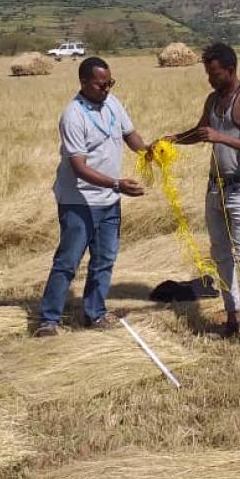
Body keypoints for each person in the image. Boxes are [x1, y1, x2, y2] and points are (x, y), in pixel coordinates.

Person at [163, 43, 240, 356]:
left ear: (231, 70)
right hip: (216, 188)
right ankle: (233, 318)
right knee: (221, 256)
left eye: (215, 74)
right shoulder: (213, 99)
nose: (210, 80)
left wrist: (221, 137)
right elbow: (201, 132)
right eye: (208, 74)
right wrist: (171, 141)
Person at [35, 57, 149, 337]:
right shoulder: (72, 115)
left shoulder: (113, 103)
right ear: (84, 83)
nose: (107, 88)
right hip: (79, 201)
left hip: (109, 200)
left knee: (105, 258)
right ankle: (48, 320)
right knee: (68, 260)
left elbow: (129, 134)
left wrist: (148, 151)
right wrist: (117, 184)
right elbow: (79, 167)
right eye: (101, 84)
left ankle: (94, 313)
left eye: (110, 83)